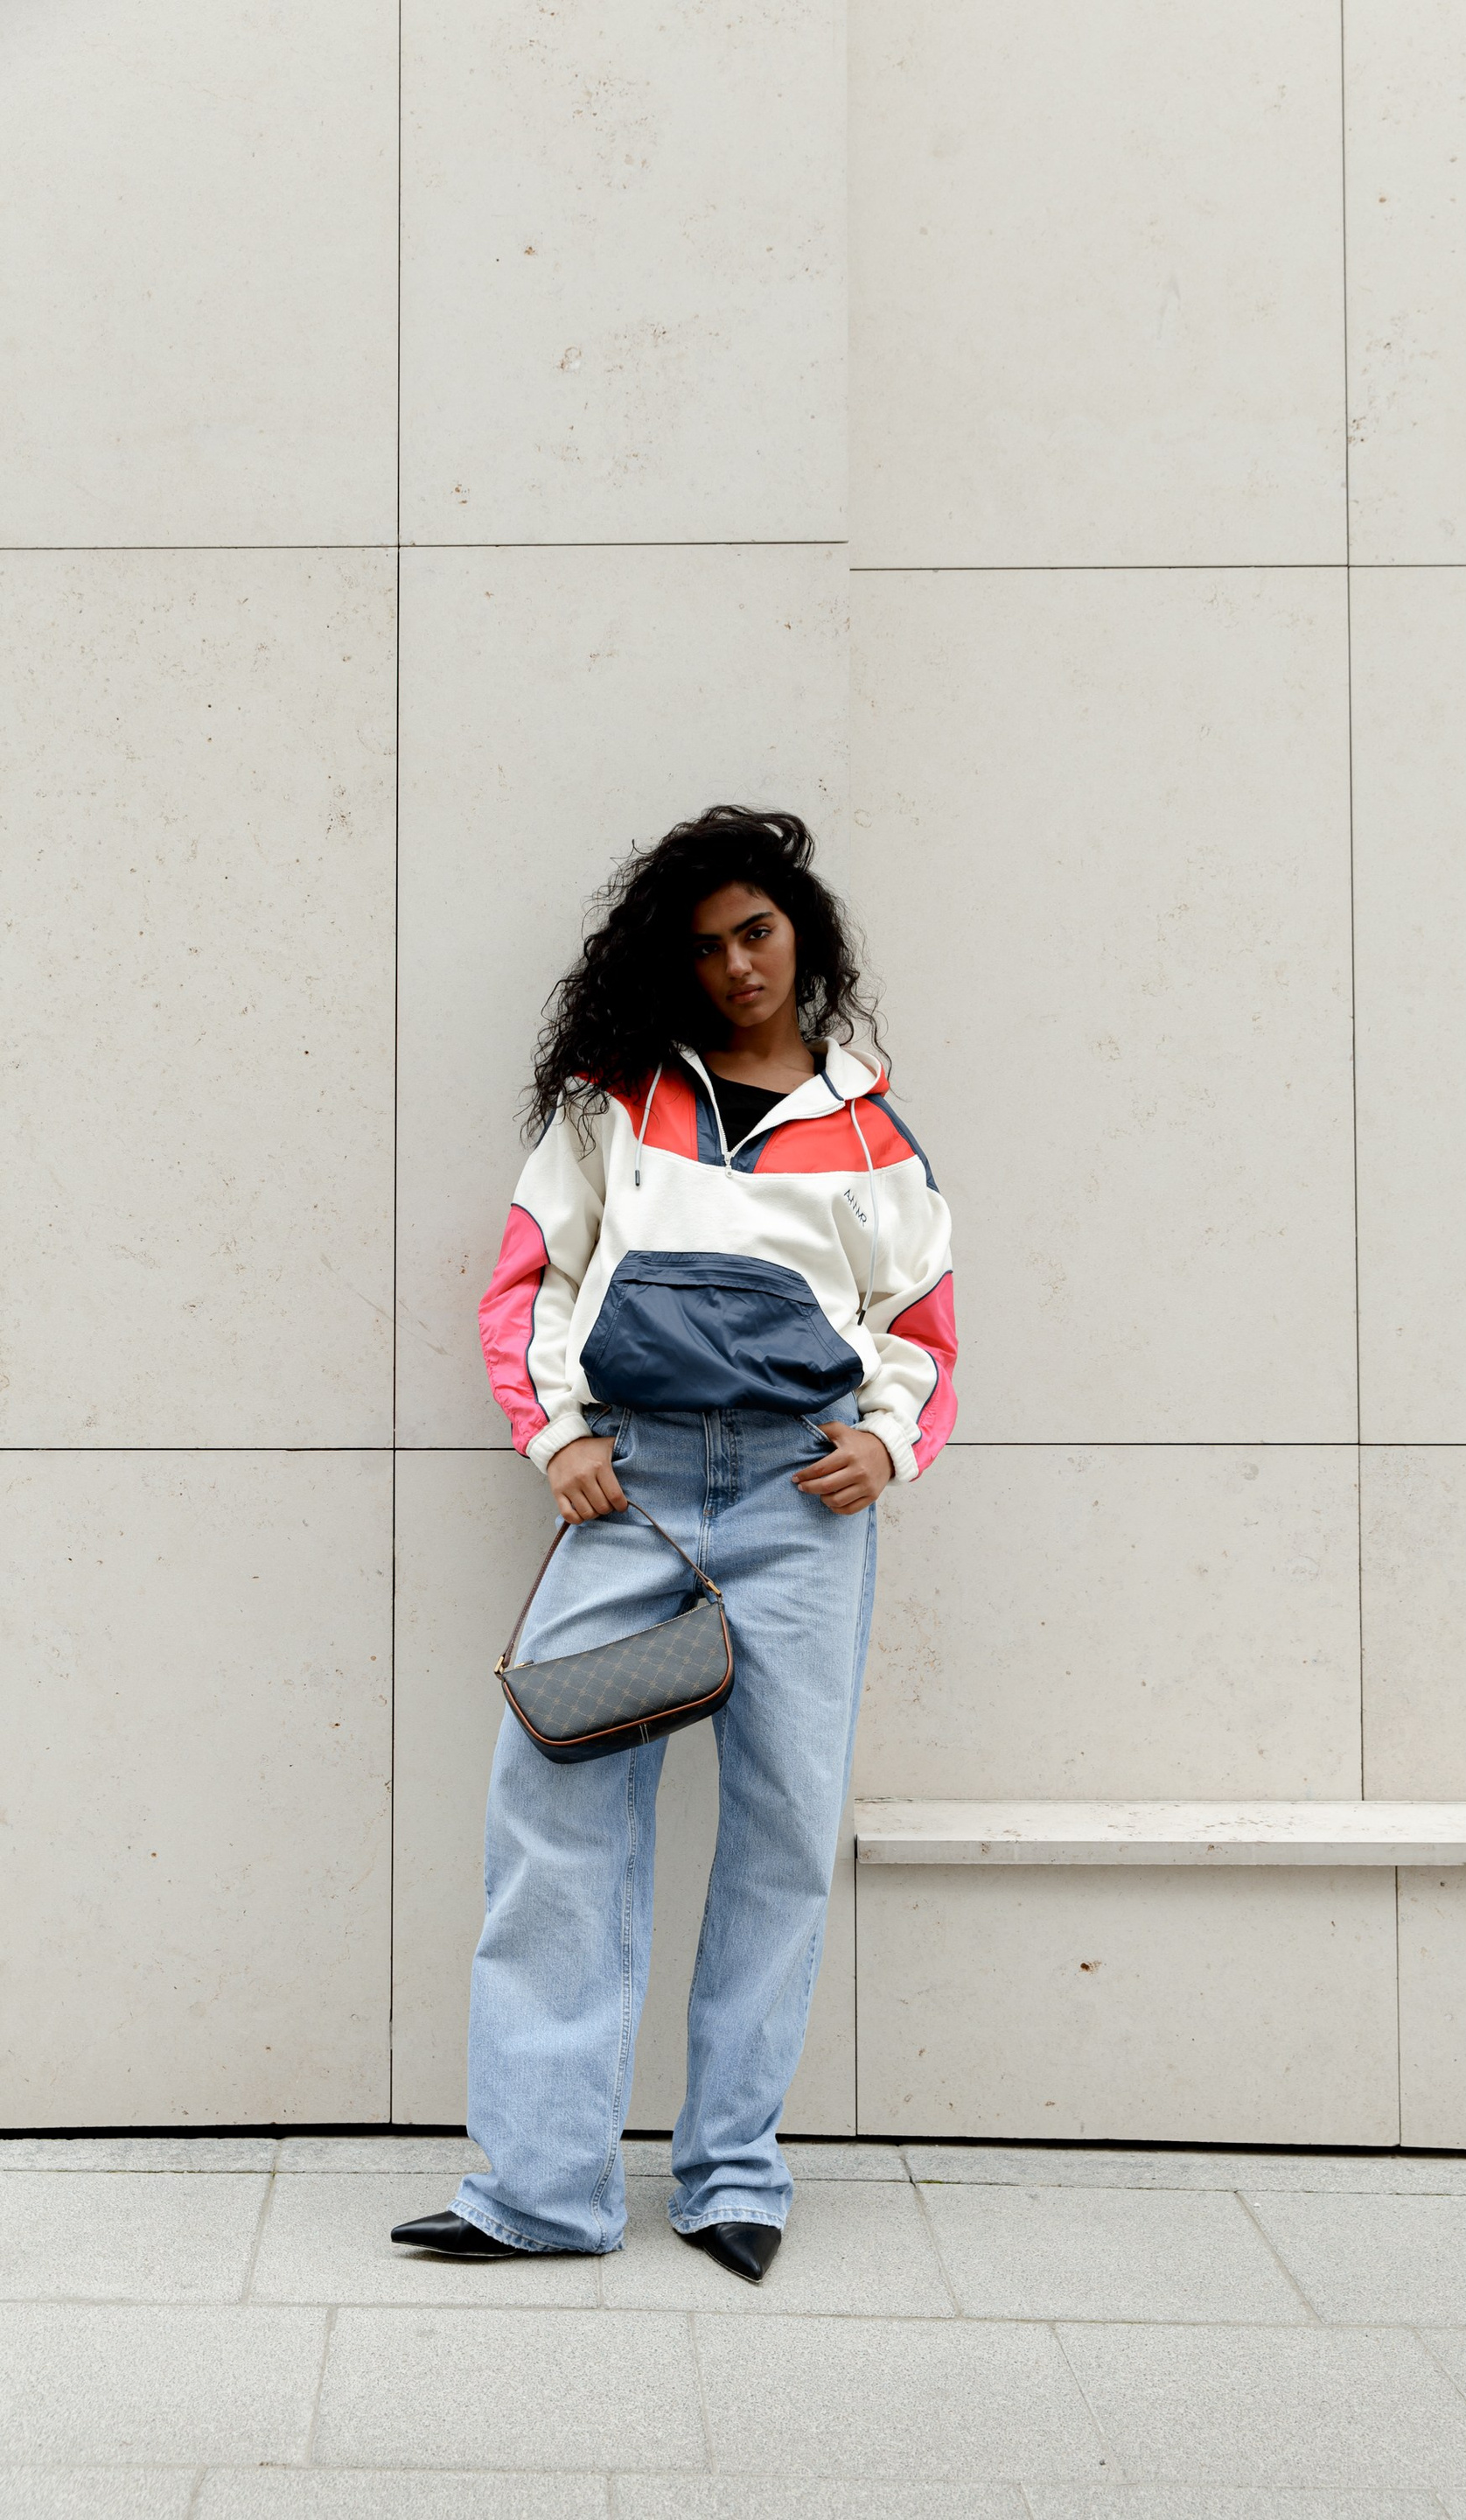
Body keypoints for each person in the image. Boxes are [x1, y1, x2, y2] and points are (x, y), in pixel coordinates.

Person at [393, 805, 957, 2282]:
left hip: (801, 1506)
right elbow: (529, 1284)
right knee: (557, 1817)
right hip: (633, 1496)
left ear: (801, 935)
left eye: (756, 932)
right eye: (705, 946)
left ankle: (732, 2177)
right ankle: (540, 2191)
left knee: (782, 1835)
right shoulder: (613, 1103)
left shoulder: (874, 1133)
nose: (736, 965)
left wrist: (886, 1442)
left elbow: (920, 1328)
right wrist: (559, 1439)